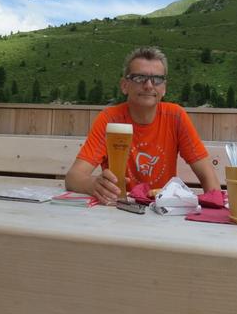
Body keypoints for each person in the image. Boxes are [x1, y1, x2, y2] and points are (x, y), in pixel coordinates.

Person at [65, 46, 221, 204]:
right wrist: (92, 185)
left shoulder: (176, 117)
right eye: (140, 78)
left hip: (161, 209)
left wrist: (215, 207)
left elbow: (209, 177)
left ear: (164, 88)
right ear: (124, 85)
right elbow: (73, 177)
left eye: (157, 79)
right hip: (119, 207)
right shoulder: (109, 119)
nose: (149, 85)